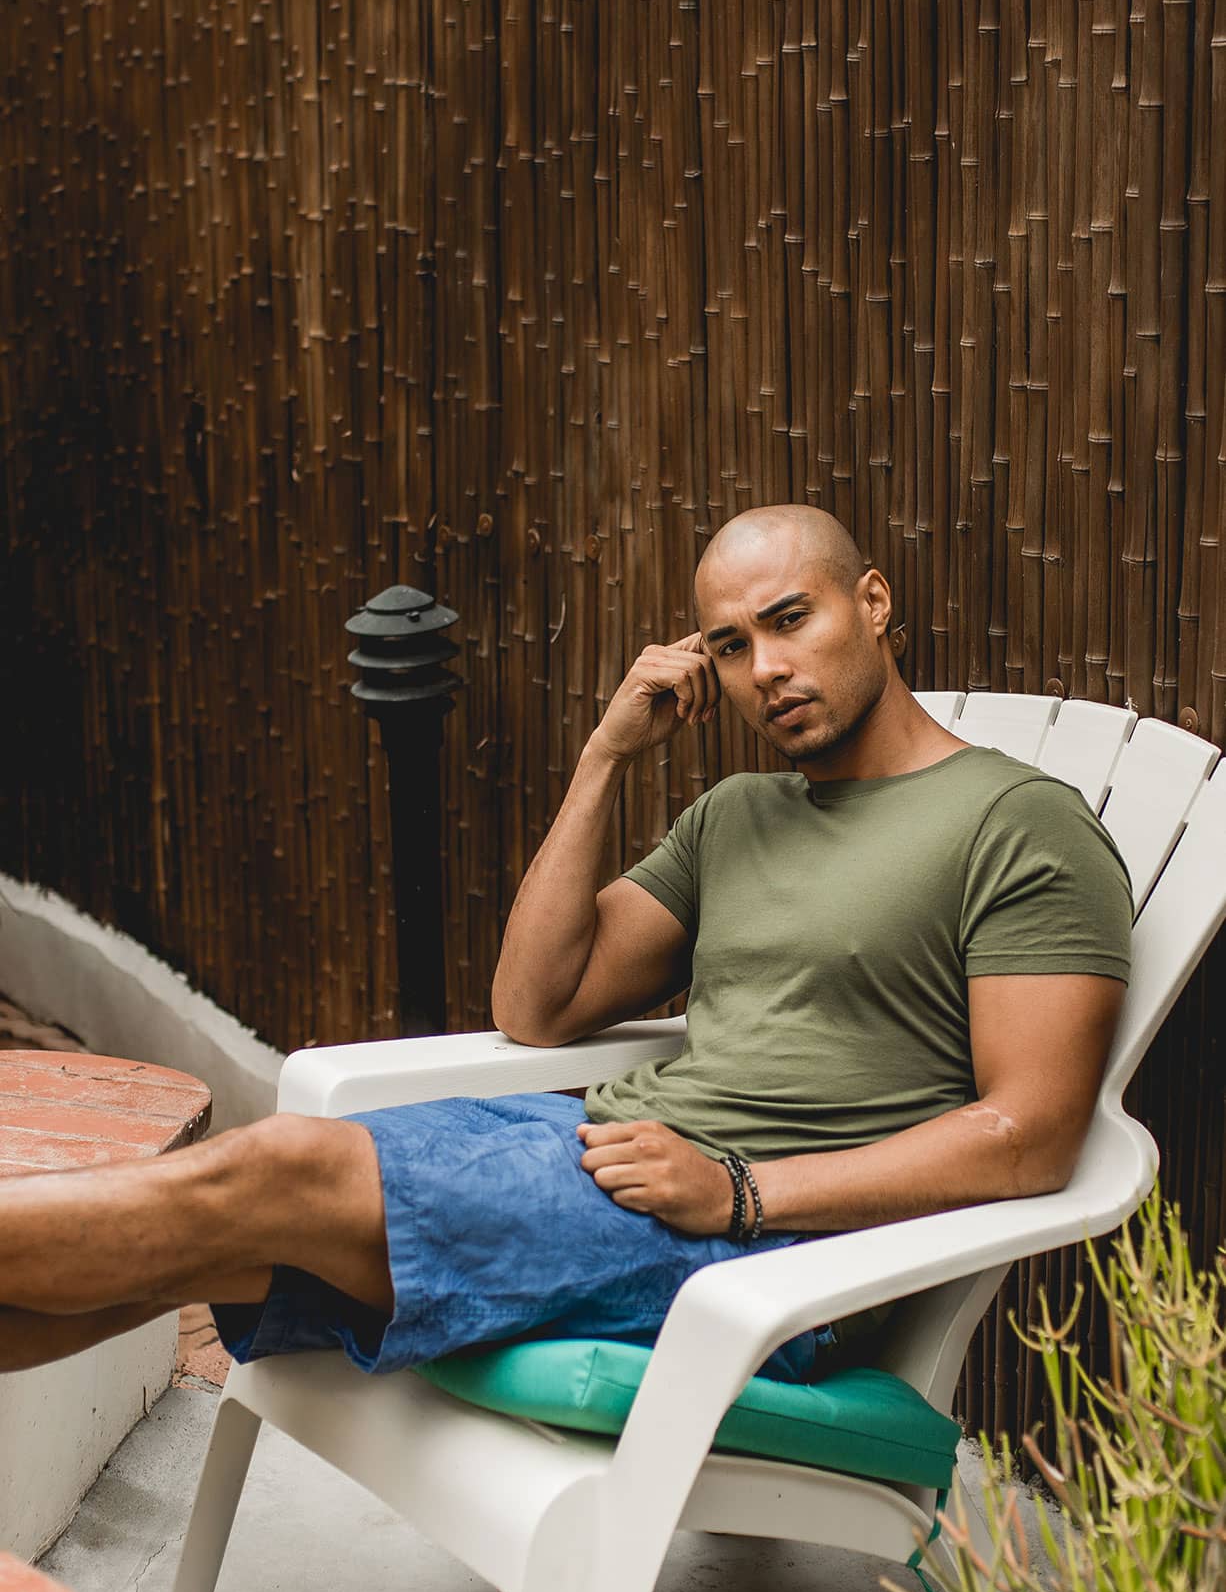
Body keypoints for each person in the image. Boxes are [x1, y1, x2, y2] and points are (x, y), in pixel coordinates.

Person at [0, 506, 1132, 1383]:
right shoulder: (735, 816)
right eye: (731, 646)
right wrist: (603, 756)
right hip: (595, 1156)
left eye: (791, 619)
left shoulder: (1017, 823)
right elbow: (538, 1006)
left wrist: (742, 1189)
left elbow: (1025, 1137)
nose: (766, 670)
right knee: (205, 1233)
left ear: (871, 600)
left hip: (767, 1257)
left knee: (276, 1168)